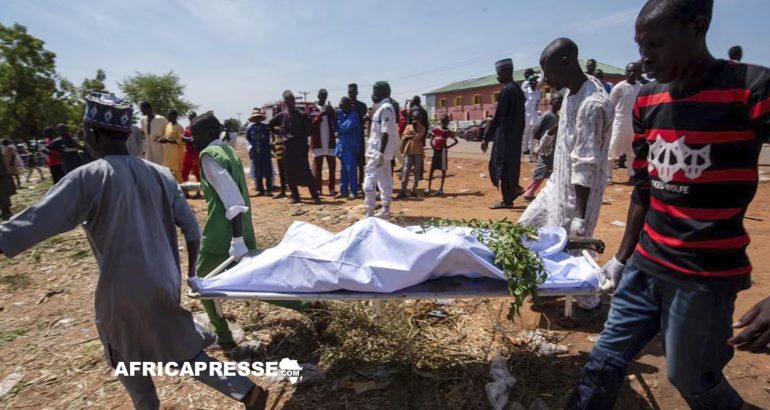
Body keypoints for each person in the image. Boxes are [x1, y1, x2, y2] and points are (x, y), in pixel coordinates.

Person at [0, 93, 269, 410]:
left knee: (125, 354)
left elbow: (33, 222)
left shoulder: (88, 177)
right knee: (177, 344)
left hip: (123, 290)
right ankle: (246, 390)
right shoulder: (160, 174)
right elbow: (192, 230)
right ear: (128, 135)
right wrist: (191, 274)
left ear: (92, 134)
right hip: (164, 281)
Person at [568, 0, 770, 407]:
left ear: (697, 27)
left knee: (690, 378)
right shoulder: (647, 100)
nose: (644, 59)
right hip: (647, 264)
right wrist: (623, 259)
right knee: (604, 360)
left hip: (705, 276)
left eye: (655, 45)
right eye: (640, 46)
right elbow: (645, 190)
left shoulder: (751, 88)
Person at [190, 111, 312, 350]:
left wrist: (235, 239)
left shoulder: (208, 156)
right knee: (251, 281)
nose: (193, 141)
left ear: (209, 133)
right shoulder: (229, 152)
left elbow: (232, 198)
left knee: (203, 281)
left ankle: (223, 336)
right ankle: (308, 307)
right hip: (241, 227)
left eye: (196, 135)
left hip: (221, 234)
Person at [519, 39, 613, 311]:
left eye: (549, 72)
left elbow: (585, 164)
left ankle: (591, 300)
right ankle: (549, 285)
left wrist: (581, 217)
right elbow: (571, 122)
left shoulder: (592, 104)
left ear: (566, 63)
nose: (546, 80)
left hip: (576, 194)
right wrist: (552, 133)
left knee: (572, 250)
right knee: (525, 230)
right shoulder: (576, 90)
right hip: (556, 185)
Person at [481, 58, 526, 209]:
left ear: (506, 72)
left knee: (499, 166)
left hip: (505, 137)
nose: (497, 77)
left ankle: (509, 198)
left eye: (499, 73)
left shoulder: (507, 91)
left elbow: (499, 116)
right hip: (515, 137)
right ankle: (511, 193)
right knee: (511, 167)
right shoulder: (518, 90)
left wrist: (486, 137)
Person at [268, 91, 321, 204]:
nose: (290, 103)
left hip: (300, 146)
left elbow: (309, 130)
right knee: (289, 172)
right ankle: (295, 196)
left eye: (292, 100)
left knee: (306, 171)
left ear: (294, 101)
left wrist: (299, 136)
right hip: (288, 146)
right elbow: (270, 124)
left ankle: (315, 196)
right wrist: (278, 132)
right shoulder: (283, 115)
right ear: (285, 102)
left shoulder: (301, 114)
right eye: (288, 101)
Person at [363, 81, 398, 218]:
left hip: (378, 152)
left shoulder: (386, 108)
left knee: (370, 179)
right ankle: (385, 208)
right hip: (380, 151)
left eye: (376, 90)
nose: (374, 93)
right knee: (384, 180)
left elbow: (385, 132)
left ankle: (370, 210)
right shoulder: (381, 107)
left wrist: (380, 153)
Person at [522, 93, 563, 201]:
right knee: (542, 169)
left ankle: (551, 193)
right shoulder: (547, 115)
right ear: (551, 102)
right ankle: (529, 193)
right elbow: (536, 130)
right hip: (546, 148)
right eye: (556, 100)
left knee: (552, 170)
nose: (559, 103)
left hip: (554, 148)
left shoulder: (559, 117)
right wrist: (537, 145)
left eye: (560, 101)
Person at [607, 62, 643, 184]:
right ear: (626, 73)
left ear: (638, 73)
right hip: (619, 120)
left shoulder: (641, 88)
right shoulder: (619, 87)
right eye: (630, 71)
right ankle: (608, 175)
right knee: (612, 147)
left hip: (634, 122)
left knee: (632, 150)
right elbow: (610, 105)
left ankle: (631, 175)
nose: (632, 73)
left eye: (634, 71)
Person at [310, 89, 337, 197]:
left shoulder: (329, 107)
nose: (323, 97)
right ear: (318, 96)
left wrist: (331, 113)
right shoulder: (313, 108)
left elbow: (335, 121)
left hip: (329, 141)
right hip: (318, 142)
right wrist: (320, 116)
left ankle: (332, 188)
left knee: (332, 167)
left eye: (325, 95)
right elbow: (310, 123)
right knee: (318, 167)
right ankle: (318, 189)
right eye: (321, 95)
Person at [334, 96, 362, 199]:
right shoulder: (342, 114)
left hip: (350, 145)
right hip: (342, 146)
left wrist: (338, 119)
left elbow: (344, 128)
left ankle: (353, 191)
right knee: (343, 170)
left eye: (342, 106)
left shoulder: (353, 115)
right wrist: (334, 117)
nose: (341, 108)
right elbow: (335, 128)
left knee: (351, 169)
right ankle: (343, 190)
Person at [426, 113, 458, 196]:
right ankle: (428, 188)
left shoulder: (448, 132)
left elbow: (456, 141)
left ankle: (441, 189)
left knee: (443, 170)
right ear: (441, 121)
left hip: (443, 152)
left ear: (447, 122)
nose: (444, 123)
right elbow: (431, 140)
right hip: (436, 151)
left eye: (446, 121)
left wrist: (447, 147)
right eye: (443, 121)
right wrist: (433, 146)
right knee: (432, 169)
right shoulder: (436, 130)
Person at [397, 109, 427, 198]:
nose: (415, 119)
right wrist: (409, 135)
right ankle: (403, 190)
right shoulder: (408, 126)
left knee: (416, 172)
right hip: (409, 151)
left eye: (416, 118)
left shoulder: (422, 128)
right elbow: (403, 136)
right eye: (414, 117)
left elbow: (417, 137)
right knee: (406, 171)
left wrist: (410, 135)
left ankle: (414, 189)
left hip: (418, 152)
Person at [245, 108, 273, 196]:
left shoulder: (266, 128)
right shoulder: (251, 129)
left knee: (267, 171)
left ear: (260, 118)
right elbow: (248, 138)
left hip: (265, 152)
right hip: (256, 153)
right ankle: (260, 189)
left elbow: (270, 138)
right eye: (255, 118)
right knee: (258, 171)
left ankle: (268, 189)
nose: (257, 119)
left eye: (258, 117)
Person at [348, 83, 368, 187]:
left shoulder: (362, 105)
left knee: (360, 160)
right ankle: (352, 182)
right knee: (351, 160)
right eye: (349, 92)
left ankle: (361, 181)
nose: (351, 94)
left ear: (357, 92)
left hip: (359, 134)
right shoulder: (345, 105)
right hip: (350, 135)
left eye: (353, 92)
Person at [140, 102, 168, 166]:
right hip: (148, 150)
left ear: (149, 108)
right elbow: (143, 134)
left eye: (143, 109)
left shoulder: (161, 119)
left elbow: (168, 132)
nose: (142, 111)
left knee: (160, 167)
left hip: (159, 149)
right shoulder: (143, 120)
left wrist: (162, 138)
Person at [522, 74, 542, 160]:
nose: (534, 84)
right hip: (526, 118)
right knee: (524, 138)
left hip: (534, 118)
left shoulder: (538, 93)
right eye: (533, 83)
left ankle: (532, 157)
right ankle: (521, 156)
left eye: (535, 82)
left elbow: (537, 105)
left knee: (533, 138)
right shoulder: (526, 92)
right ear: (530, 83)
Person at [161, 110, 185, 183]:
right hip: (168, 154)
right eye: (167, 115)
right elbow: (166, 137)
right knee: (168, 172)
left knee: (177, 173)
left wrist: (168, 140)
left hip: (176, 154)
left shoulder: (179, 127)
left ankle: (184, 189)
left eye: (170, 115)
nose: (168, 117)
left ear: (175, 116)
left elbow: (181, 141)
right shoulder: (168, 125)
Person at [270, 106, 288, 199]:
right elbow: (273, 137)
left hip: (285, 148)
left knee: (287, 170)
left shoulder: (284, 122)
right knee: (281, 170)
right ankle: (283, 190)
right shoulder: (274, 125)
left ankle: (288, 189)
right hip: (278, 149)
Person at [181, 111, 201, 183]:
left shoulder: (198, 128)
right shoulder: (187, 127)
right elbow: (184, 139)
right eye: (190, 117)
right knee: (184, 171)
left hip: (196, 152)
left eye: (192, 117)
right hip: (188, 152)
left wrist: (185, 138)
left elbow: (194, 139)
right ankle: (186, 189)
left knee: (197, 171)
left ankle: (199, 190)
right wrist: (186, 139)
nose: (191, 119)